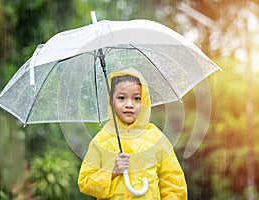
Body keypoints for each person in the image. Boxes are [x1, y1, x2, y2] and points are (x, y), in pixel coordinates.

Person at [78, 68, 187, 199]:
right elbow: (85, 182)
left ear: (145, 101)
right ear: (111, 101)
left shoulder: (156, 138)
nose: (129, 104)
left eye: (136, 98)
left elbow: (174, 185)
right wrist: (112, 172)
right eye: (122, 98)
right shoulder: (101, 140)